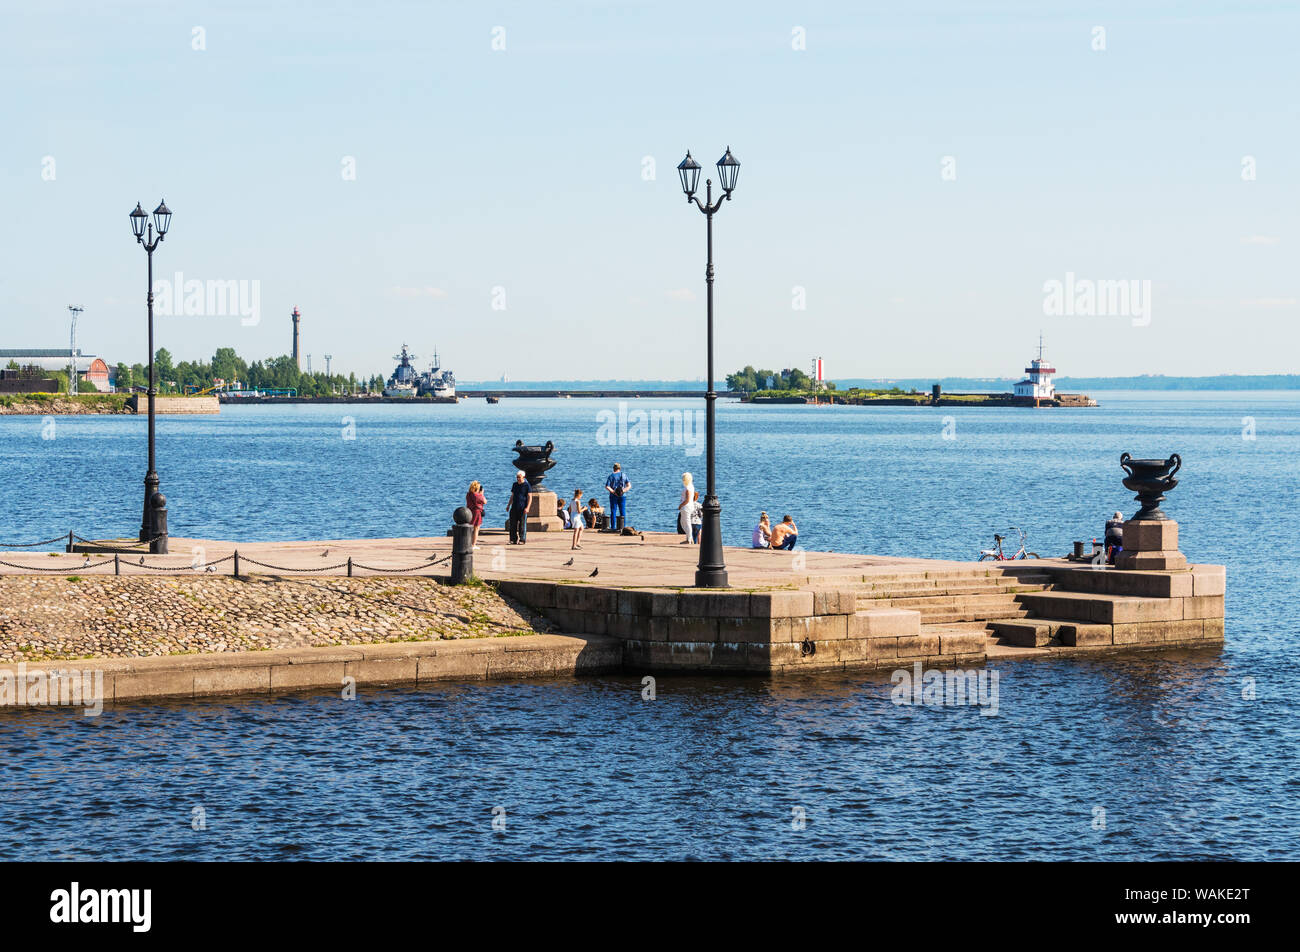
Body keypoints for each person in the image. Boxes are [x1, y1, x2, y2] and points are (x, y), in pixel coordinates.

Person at [507, 470, 532, 545]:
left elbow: (530, 497)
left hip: (522, 508)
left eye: (519, 477)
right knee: (512, 524)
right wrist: (508, 505)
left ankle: (522, 539)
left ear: (523, 477)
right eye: (517, 477)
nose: (518, 479)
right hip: (514, 507)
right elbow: (512, 496)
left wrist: (528, 507)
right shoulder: (514, 485)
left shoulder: (527, 485)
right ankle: (513, 539)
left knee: (522, 525)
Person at [605, 463, 630, 533]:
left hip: (613, 496)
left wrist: (613, 492)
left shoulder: (611, 476)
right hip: (623, 495)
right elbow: (629, 485)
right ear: (620, 468)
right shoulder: (624, 475)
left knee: (613, 511)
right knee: (622, 511)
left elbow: (607, 486)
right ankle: (623, 527)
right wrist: (623, 491)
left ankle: (613, 527)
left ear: (614, 468)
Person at [465, 480, 486, 549]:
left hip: (469, 511)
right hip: (477, 512)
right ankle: (473, 544)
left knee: (470, 528)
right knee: (476, 528)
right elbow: (485, 501)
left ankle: (467, 543)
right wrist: (482, 494)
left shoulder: (468, 494)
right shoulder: (477, 495)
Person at [677, 472, 695, 543]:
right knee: (683, 522)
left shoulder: (688, 488)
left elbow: (687, 499)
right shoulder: (691, 486)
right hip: (688, 506)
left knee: (686, 523)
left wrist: (680, 505)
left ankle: (689, 539)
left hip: (686, 507)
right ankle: (689, 537)